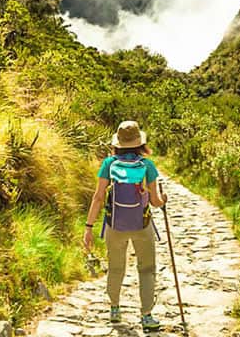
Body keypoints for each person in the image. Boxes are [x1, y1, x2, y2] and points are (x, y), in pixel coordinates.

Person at [83, 120, 168, 330]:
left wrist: (88, 227)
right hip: (142, 225)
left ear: (118, 142)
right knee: (146, 269)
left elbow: (98, 197)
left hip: (115, 225)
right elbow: (156, 202)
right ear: (140, 143)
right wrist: (163, 199)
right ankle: (147, 316)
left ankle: (114, 309)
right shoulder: (147, 165)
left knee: (116, 268)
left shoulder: (109, 164)